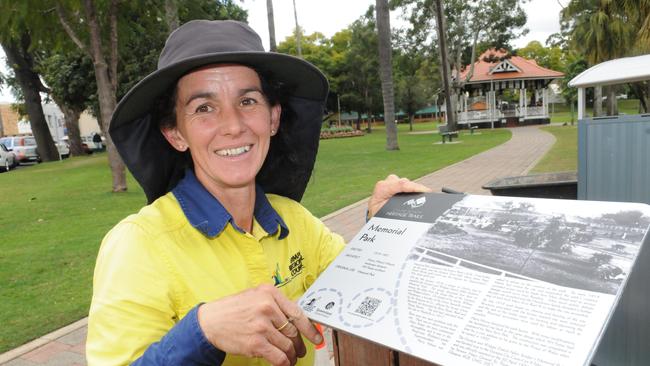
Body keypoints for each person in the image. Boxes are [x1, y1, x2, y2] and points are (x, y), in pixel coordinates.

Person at [86, 20, 430, 366]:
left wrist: (385, 228)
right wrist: (201, 331)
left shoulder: (294, 220)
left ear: (273, 118)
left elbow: (360, 289)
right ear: (176, 133)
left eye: (248, 101)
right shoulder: (136, 246)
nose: (234, 126)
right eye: (204, 108)